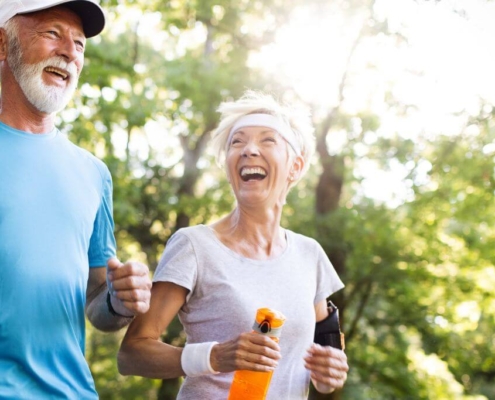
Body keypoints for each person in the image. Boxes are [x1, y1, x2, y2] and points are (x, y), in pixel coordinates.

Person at [118, 90, 349, 399]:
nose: (249, 149)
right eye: (237, 142)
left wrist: (330, 373)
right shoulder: (194, 246)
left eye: (268, 140)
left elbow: (325, 352)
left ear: (294, 166)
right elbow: (131, 353)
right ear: (228, 167)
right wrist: (213, 357)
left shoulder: (310, 255)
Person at [0, 1, 152, 398]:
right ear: (3, 43)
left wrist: (119, 301)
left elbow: (94, 301)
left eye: (80, 43)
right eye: (52, 33)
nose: (69, 51)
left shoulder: (93, 173)